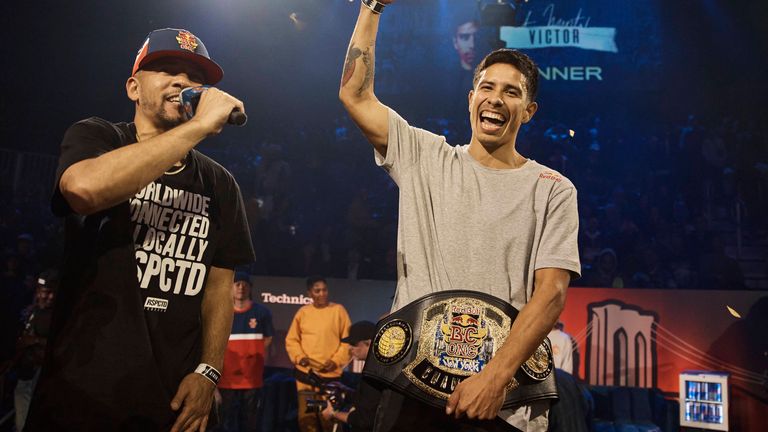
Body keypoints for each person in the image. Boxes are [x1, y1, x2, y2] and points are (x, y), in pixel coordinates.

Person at [339, 1, 580, 431]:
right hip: (409, 388)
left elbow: (552, 295)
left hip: (501, 401)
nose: (496, 99)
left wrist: (495, 376)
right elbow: (354, 95)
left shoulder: (554, 189)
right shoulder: (425, 157)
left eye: (512, 92)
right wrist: (371, 8)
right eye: (487, 87)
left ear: (529, 111)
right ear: (471, 99)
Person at [26, 28, 255, 432]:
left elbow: (220, 284)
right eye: (167, 70)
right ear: (134, 87)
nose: (183, 82)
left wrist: (209, 371)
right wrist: (198, 129)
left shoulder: (220, 183)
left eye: (194, 77)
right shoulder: (97, 136)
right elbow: (83, 189)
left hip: (175, 402)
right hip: (84, 393)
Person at [285, 276, 352, 432]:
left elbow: (348, 341)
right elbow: (292, 340)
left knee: (330, 419)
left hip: (330, 377)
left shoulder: (338, 311)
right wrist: (299, 357)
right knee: (307, 420)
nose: (322, 293)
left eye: (324, 290)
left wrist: (336, 361)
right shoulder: (303, 312)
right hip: (306, 377)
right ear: (310, 293)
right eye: (317, 290)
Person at [216, 271, 274, 432]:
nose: (241, 287)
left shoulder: (262, 312)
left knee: (250, 423)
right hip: (226, 378)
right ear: (231, 287)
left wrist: (253, 354)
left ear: (250, 288)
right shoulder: (222, 312)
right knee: (223, 422)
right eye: (237, 284)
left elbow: (269, 338)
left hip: (252, 378)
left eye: (245, 284)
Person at [13, 269, 57, 432]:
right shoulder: (34, 310)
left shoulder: (57, 315)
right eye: (40, 291)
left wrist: (36, 341)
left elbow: (62, 345)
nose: (44, 296)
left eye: (48, 292)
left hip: (42, 374)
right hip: (26, 372)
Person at [321, 320, 378, 431]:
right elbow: (366, 400)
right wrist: (346, 391)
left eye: (354, 343)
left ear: (369, 343)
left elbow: (364, 420)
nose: (349, 348)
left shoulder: (373, 374)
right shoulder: (373, 369)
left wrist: (333, 414)